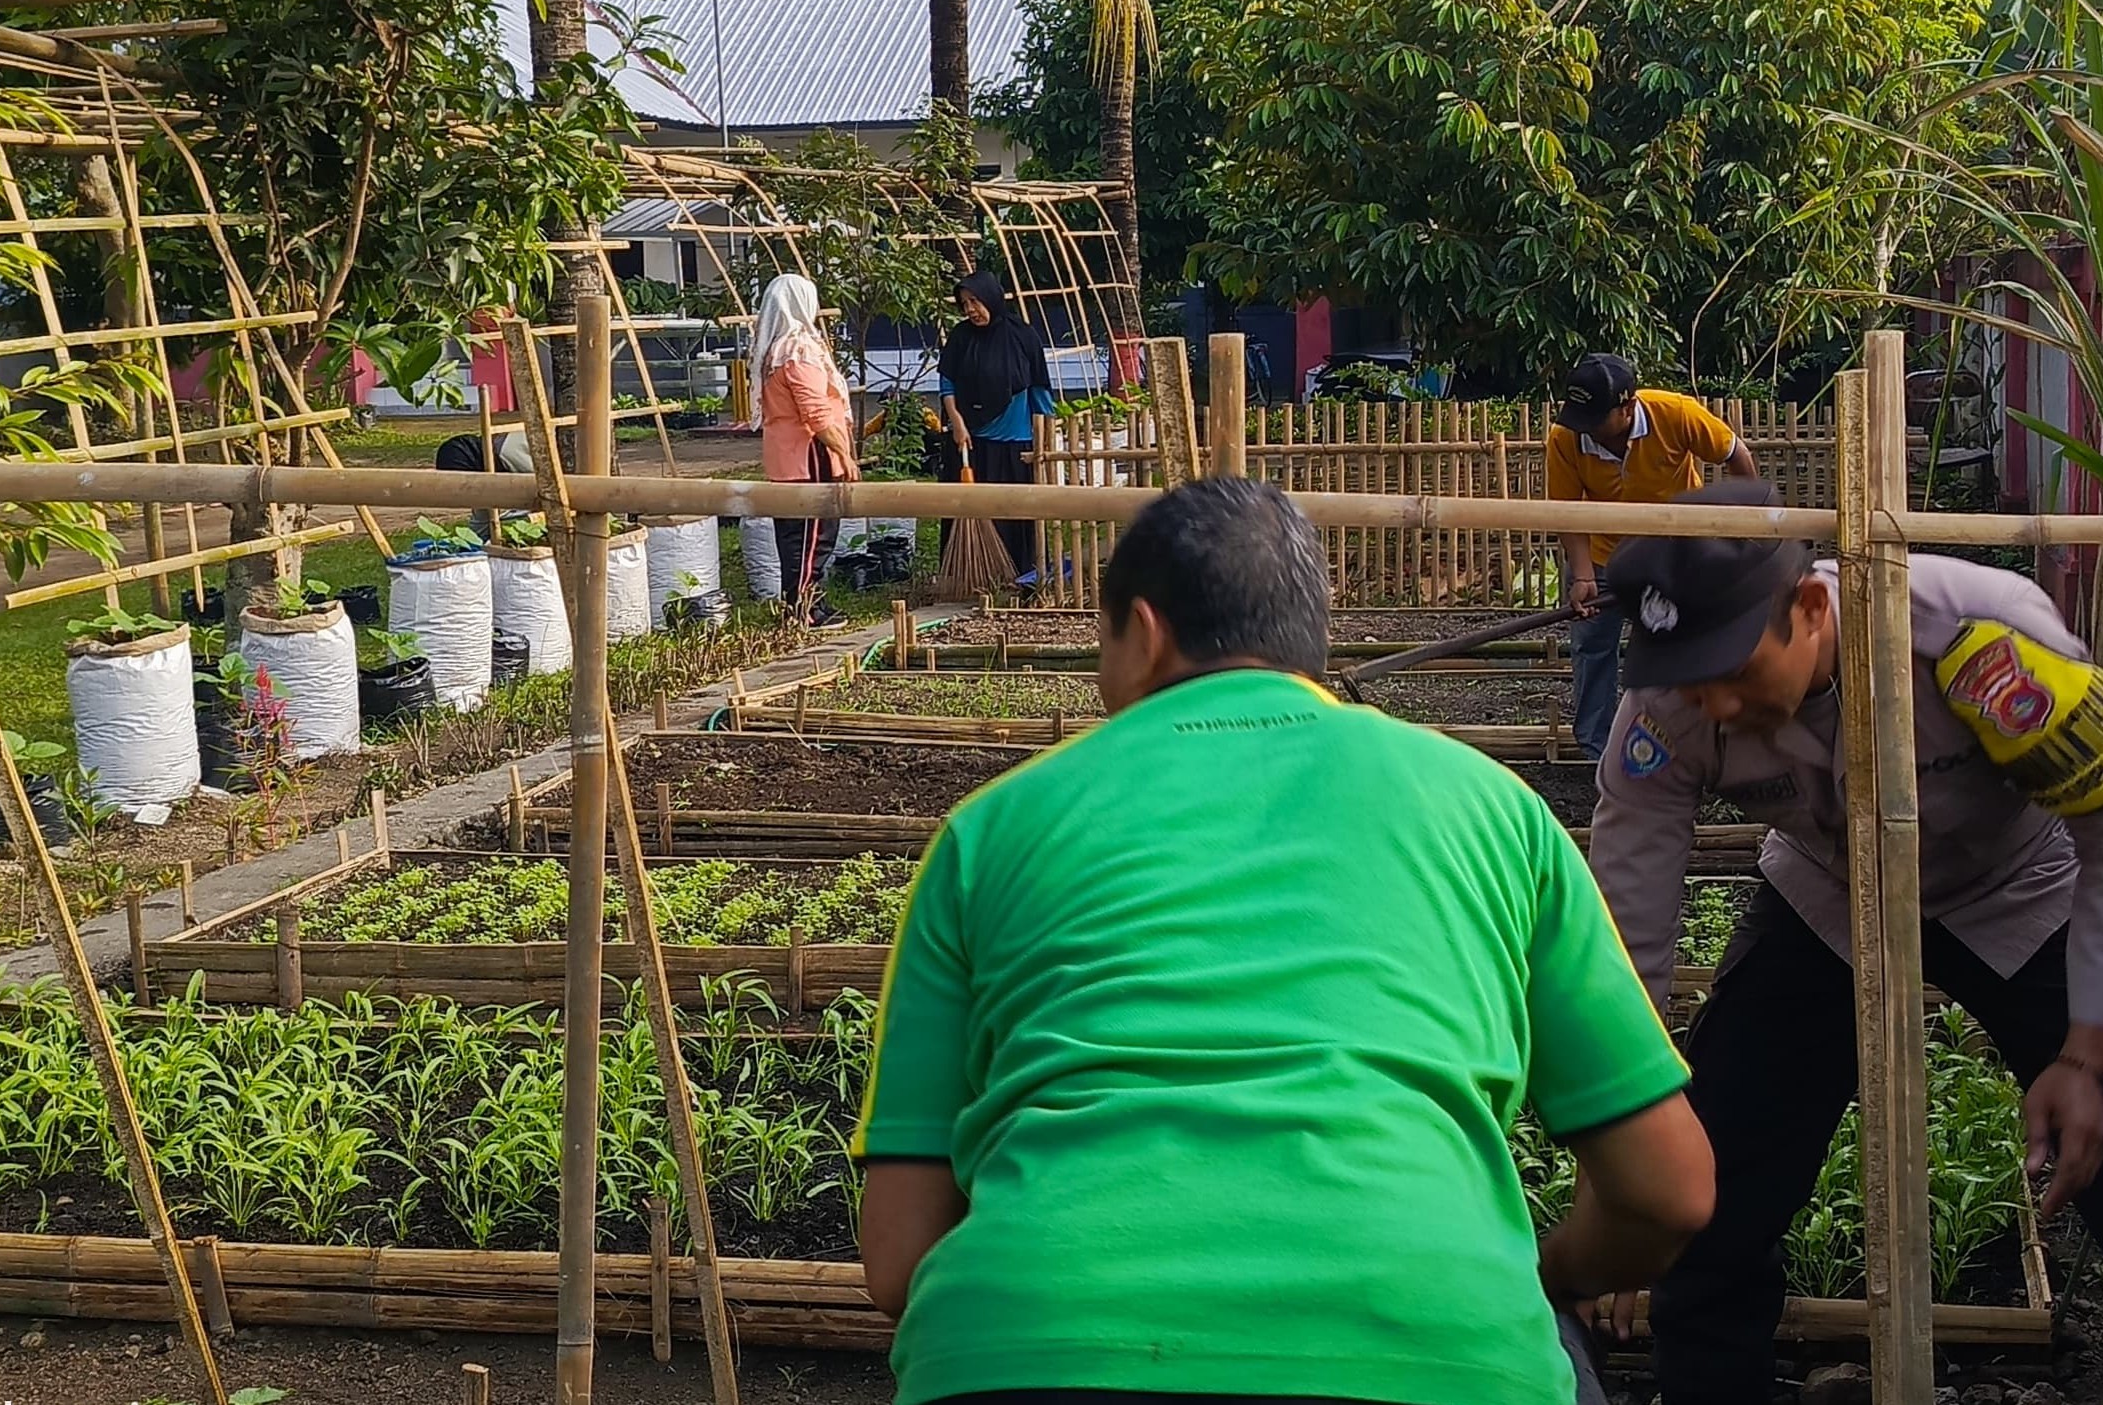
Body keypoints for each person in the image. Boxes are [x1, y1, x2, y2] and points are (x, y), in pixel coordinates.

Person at [858, 476, 1715, 1405]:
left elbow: (899, 1259)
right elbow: (1668, 1189)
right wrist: (1549, 1277)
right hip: (1434, 1352)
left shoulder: (985, 830)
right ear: (1310, 637)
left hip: (1026, 1357)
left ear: (1143, 635)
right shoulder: (1493, 809)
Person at [1586, 477, 2103, 1405]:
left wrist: (2087, 1053)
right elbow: (1632, 929)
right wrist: (1631, 1190)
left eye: (1736, 674)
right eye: (1691, 684)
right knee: (1717, 1174)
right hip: (1827, 892)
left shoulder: (1985, 642)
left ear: (1814, 608)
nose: (1716, 705)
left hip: (2016, 882)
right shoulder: (1669, 707)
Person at [1546, 353, 1757, 759]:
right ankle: (1598, 748)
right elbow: (1566, 510)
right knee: (1592, 645)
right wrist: (1584, 575)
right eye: (1578, 416)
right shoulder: (1566, 438)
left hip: (1675, 555)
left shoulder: (1676, 414)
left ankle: (1685, 742)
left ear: (1627, 408)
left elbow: (1736, 455)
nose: (1584, 427)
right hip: (1607, 553)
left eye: (1594, 417)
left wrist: (1750, 528)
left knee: (1675, 642)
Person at [750, 272, 857, 631]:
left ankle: (802, 605)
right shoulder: (800, 350)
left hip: (784, 455)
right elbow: (815, 412)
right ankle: (806, 611)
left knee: (795, 536)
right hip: (809, 452)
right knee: (814, 535)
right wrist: (844, 453)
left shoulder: (772, 351)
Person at [938, 272, 1053, 580]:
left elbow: (1039, 388)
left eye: (975, 301)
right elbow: (947, 382)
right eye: (964, 304)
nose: (970, 310)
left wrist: (1047, 433)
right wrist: (957, 422)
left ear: (991, 298)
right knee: (971, 509)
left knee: (1012, 511)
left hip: (1014, 440)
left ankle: (1016, 574)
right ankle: (972, 575)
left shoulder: (1022, 336)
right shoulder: (961, 337)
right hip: (970, 441)